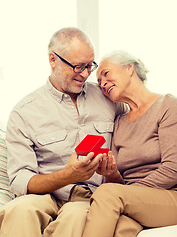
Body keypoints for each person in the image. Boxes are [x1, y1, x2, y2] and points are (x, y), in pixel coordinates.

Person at [0, 28, 126, 237]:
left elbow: (140, 113)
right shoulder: (24, 112)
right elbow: (20, 180)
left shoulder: (108, 99)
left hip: (90, 197)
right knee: (19, 210)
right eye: (78, 66)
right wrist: (67, 176)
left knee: (76, 216)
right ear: (53, 60)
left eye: (89, 66)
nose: (85, 74)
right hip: (45, 195)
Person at [82, 50, 177, 237]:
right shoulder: (118, 123)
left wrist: (124, 192)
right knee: (119, 229)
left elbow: (173, 168)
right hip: (133, 201)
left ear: (129, 68)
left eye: (106, 74)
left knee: (107, 193)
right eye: (99, 82)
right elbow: (119, 183)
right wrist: (112, 175)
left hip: (170, 196)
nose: (102, 84)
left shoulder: (168, 106)